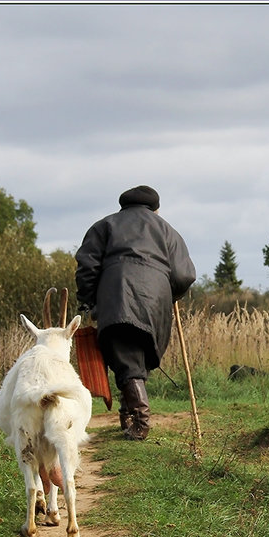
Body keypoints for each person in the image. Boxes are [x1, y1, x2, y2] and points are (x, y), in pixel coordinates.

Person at [75, 185, 197, 441]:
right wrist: (168, 294)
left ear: (123, 205)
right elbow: (185, 275)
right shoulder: (168, 230)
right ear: (156, 207)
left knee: (126, 359)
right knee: (135, 359)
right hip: (156, 303)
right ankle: (127, 413)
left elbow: (87, 266)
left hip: (116, 297)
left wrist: (88, 301)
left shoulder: (105, 225)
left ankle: (140, 423)